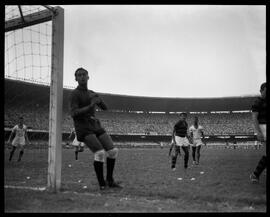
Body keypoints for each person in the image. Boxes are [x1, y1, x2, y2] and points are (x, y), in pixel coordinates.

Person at [70, 67, 122, 190]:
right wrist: (90, 105)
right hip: (83, 126)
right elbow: (74, 113)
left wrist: (99, 99)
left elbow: (105, 108)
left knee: (113, 151)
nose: (82, 76)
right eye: (79, 75)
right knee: (99, 153)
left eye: (84, 74)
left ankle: (110, 180)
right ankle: (102, 184)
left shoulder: (91, 92)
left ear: (88, 77)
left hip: (94, 125)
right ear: (76, 78)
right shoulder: (74, 94)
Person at [250, 82, 267, 183]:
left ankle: (255, 175)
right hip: (263, 128)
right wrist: (258, 132)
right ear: (261, 91)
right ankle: (255, 174)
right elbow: (254, 118)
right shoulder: (257, 102)